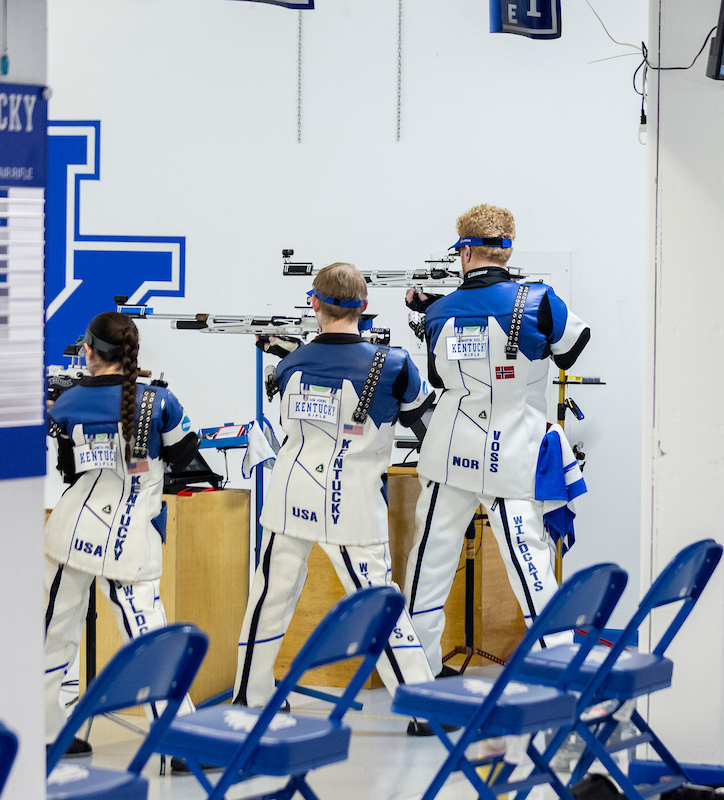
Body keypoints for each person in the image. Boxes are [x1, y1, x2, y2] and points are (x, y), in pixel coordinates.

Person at [234, 262, 440, 734]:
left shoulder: (290, 364)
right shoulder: (394, 365)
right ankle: (422, 707)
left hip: (290, 494)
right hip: (351, 502)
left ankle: (250, 698)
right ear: (364, 307)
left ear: (314, 304)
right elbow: (423, 423)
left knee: (269, 597)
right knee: (379, 606)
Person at [402, 204, 591, 676]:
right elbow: (571, 350)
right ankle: (559, 673)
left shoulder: (437, 313)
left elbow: (437, 378)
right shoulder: (541, 300)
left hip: (449, 454)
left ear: (465, 253)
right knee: (531, 568)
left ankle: (418, 676)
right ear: (507, 250)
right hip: (512, 455)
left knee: (428, 567)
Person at [43, 311, 199, 755]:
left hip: (72, 532)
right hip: (129, 539)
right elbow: (185, 455)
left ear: (88, 352)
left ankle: (46, 732)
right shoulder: (161, 402)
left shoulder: (66, 404)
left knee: (52, 635)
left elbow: (69, 469)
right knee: (149, 641)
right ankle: (181, 739)